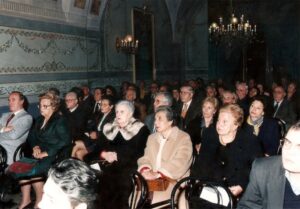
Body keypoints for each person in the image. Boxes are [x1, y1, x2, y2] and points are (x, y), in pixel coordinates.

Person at [84, 100, 150, 209]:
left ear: (130, 114)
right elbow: (97, 150)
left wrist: (117, 156)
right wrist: (104, 154)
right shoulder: (109, 127)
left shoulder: (141, 129)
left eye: (122, 112)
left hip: (127, 166)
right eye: (117, 111)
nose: (118, 114)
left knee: (115, 182)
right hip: (105, 164)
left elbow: (139, 153)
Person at [193, 104, 263, 199]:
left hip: (235, 189)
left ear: (236, 125)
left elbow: (256, 169)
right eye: (218, 120)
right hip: (210, 186)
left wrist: (242, 185)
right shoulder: (209, 134)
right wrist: (197, 181)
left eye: (224, 122)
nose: (219, 124)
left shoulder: (249, 141)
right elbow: (201, 161)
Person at [18, 92, 71, 209]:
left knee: (34, 172)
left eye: (45, 106)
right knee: (21, 167)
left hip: (55, 154)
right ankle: (26, 199)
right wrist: (35, 147)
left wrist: (46, 153)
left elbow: (66, 141)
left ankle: (39, 202)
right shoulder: (39, 119)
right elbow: (32, 136)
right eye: (40, 105)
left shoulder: (59, 121)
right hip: (39, 152)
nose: (41, 108)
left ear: (54, 106)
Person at [138, 106, 193, 208]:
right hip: (153, 181)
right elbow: (146, 157)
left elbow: (182, 161)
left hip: (174, 180)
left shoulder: (183, 137)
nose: (156, 122)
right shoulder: (152, 138)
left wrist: (158, 174)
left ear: (170, 122)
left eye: (160, 119)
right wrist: (146, 170)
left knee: (152, 201)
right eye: (155, 119)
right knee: (136, 197)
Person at [238, 121, 300, 209]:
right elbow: (247, 206)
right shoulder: (264, 170)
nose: (289, 151)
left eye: (299, 147)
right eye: (287, 143)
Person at [72, 95, 115, 160]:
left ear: (111, 106)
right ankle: (71, 166)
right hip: (93, 141)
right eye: (101, 104)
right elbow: (90, 126)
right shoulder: (99, 114)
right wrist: (90, 132)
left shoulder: (113, 118)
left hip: (101, 144)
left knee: (79, 153)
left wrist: (97, 135)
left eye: (105, 105)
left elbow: (109, 135)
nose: (101, 107)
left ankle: (77, 167)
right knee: (76, 145)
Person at [0, 91, 33, 165]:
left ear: (22, 101)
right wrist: (3, 129)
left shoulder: (27, 118)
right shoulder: (5, 115)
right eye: (9, 100)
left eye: (13, 99)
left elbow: (13, 135)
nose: (10, 102)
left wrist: (1, 129)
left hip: (9, 153)